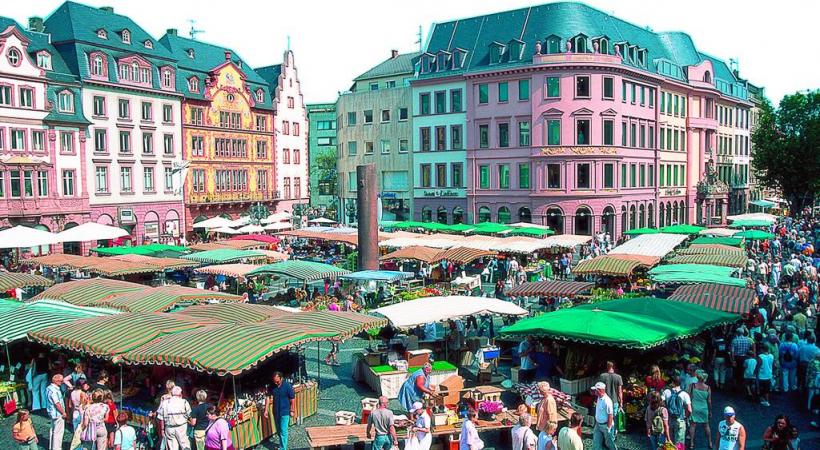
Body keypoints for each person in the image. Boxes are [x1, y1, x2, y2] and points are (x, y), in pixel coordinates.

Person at [264, 372, 296, 450]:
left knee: (283, 431)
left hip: (285, 411)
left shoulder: (287, 386)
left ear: (281, 378)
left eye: (277, 381)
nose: (276, 383)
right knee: (278, 430)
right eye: (274, 381)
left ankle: (283, 448)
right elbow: (268, 397)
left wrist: (292, 410)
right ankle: (282, 444)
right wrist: (266, 410)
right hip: (276, 411)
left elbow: (292, 399)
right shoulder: (272, 386)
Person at [156, 386, 192, 450]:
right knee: (185, 445)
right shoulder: (184, 402)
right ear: (180, 394)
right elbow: (190, 415)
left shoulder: (165, 403)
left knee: (172, 447)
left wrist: (162, 430)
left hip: (169, 428)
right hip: (182, 428)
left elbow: (161, 418)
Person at [663, 377, 691, 447]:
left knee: (669, 441)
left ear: (672, 382)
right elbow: (689, 410)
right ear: (680, 383)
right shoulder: (684, 394)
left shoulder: (666, 392)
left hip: (669, 419)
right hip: (680, 419)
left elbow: (662, 404)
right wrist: (685, 416)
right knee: (679, 443)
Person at [687, 371, 713, 450]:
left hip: (694, 407)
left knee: (692, 425)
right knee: (706, 426)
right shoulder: (708, 388)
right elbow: (709, 401)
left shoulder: (692, 386)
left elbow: (689, 397)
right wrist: (710, 411)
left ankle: (691, 443)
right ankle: (710, 442)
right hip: (704, 408)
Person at [599, 361, 624, 438]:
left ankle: (605, 434)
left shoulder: (602, 376)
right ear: (614, 367)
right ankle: (613, 434)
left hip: (604, 401)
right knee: (614, 419)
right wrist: (621, 403)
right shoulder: (618, 377)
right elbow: (620, 392)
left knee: (605, 418)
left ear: (607, 367)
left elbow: (600, 389)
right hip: (614, 401)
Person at [591, 382, 617, 450]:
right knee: (596, 443)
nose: (594, 391)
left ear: (600, 390)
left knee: (610, 444)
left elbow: (610, 415)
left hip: (605, 426)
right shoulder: (599, 397)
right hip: (598, 425)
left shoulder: (607, 401)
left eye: (595, 390)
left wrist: (608, 428)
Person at [46, 373, 67, 450]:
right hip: (57, 413)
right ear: (57, 381)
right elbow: (57, 403)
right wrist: (63, 412)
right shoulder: (54, 390)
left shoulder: (49, 388)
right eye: (61, 381)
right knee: (58, 433)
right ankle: (56, 448)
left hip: (51, 412)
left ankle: (51, 447)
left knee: (53, 430)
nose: (62, 383)